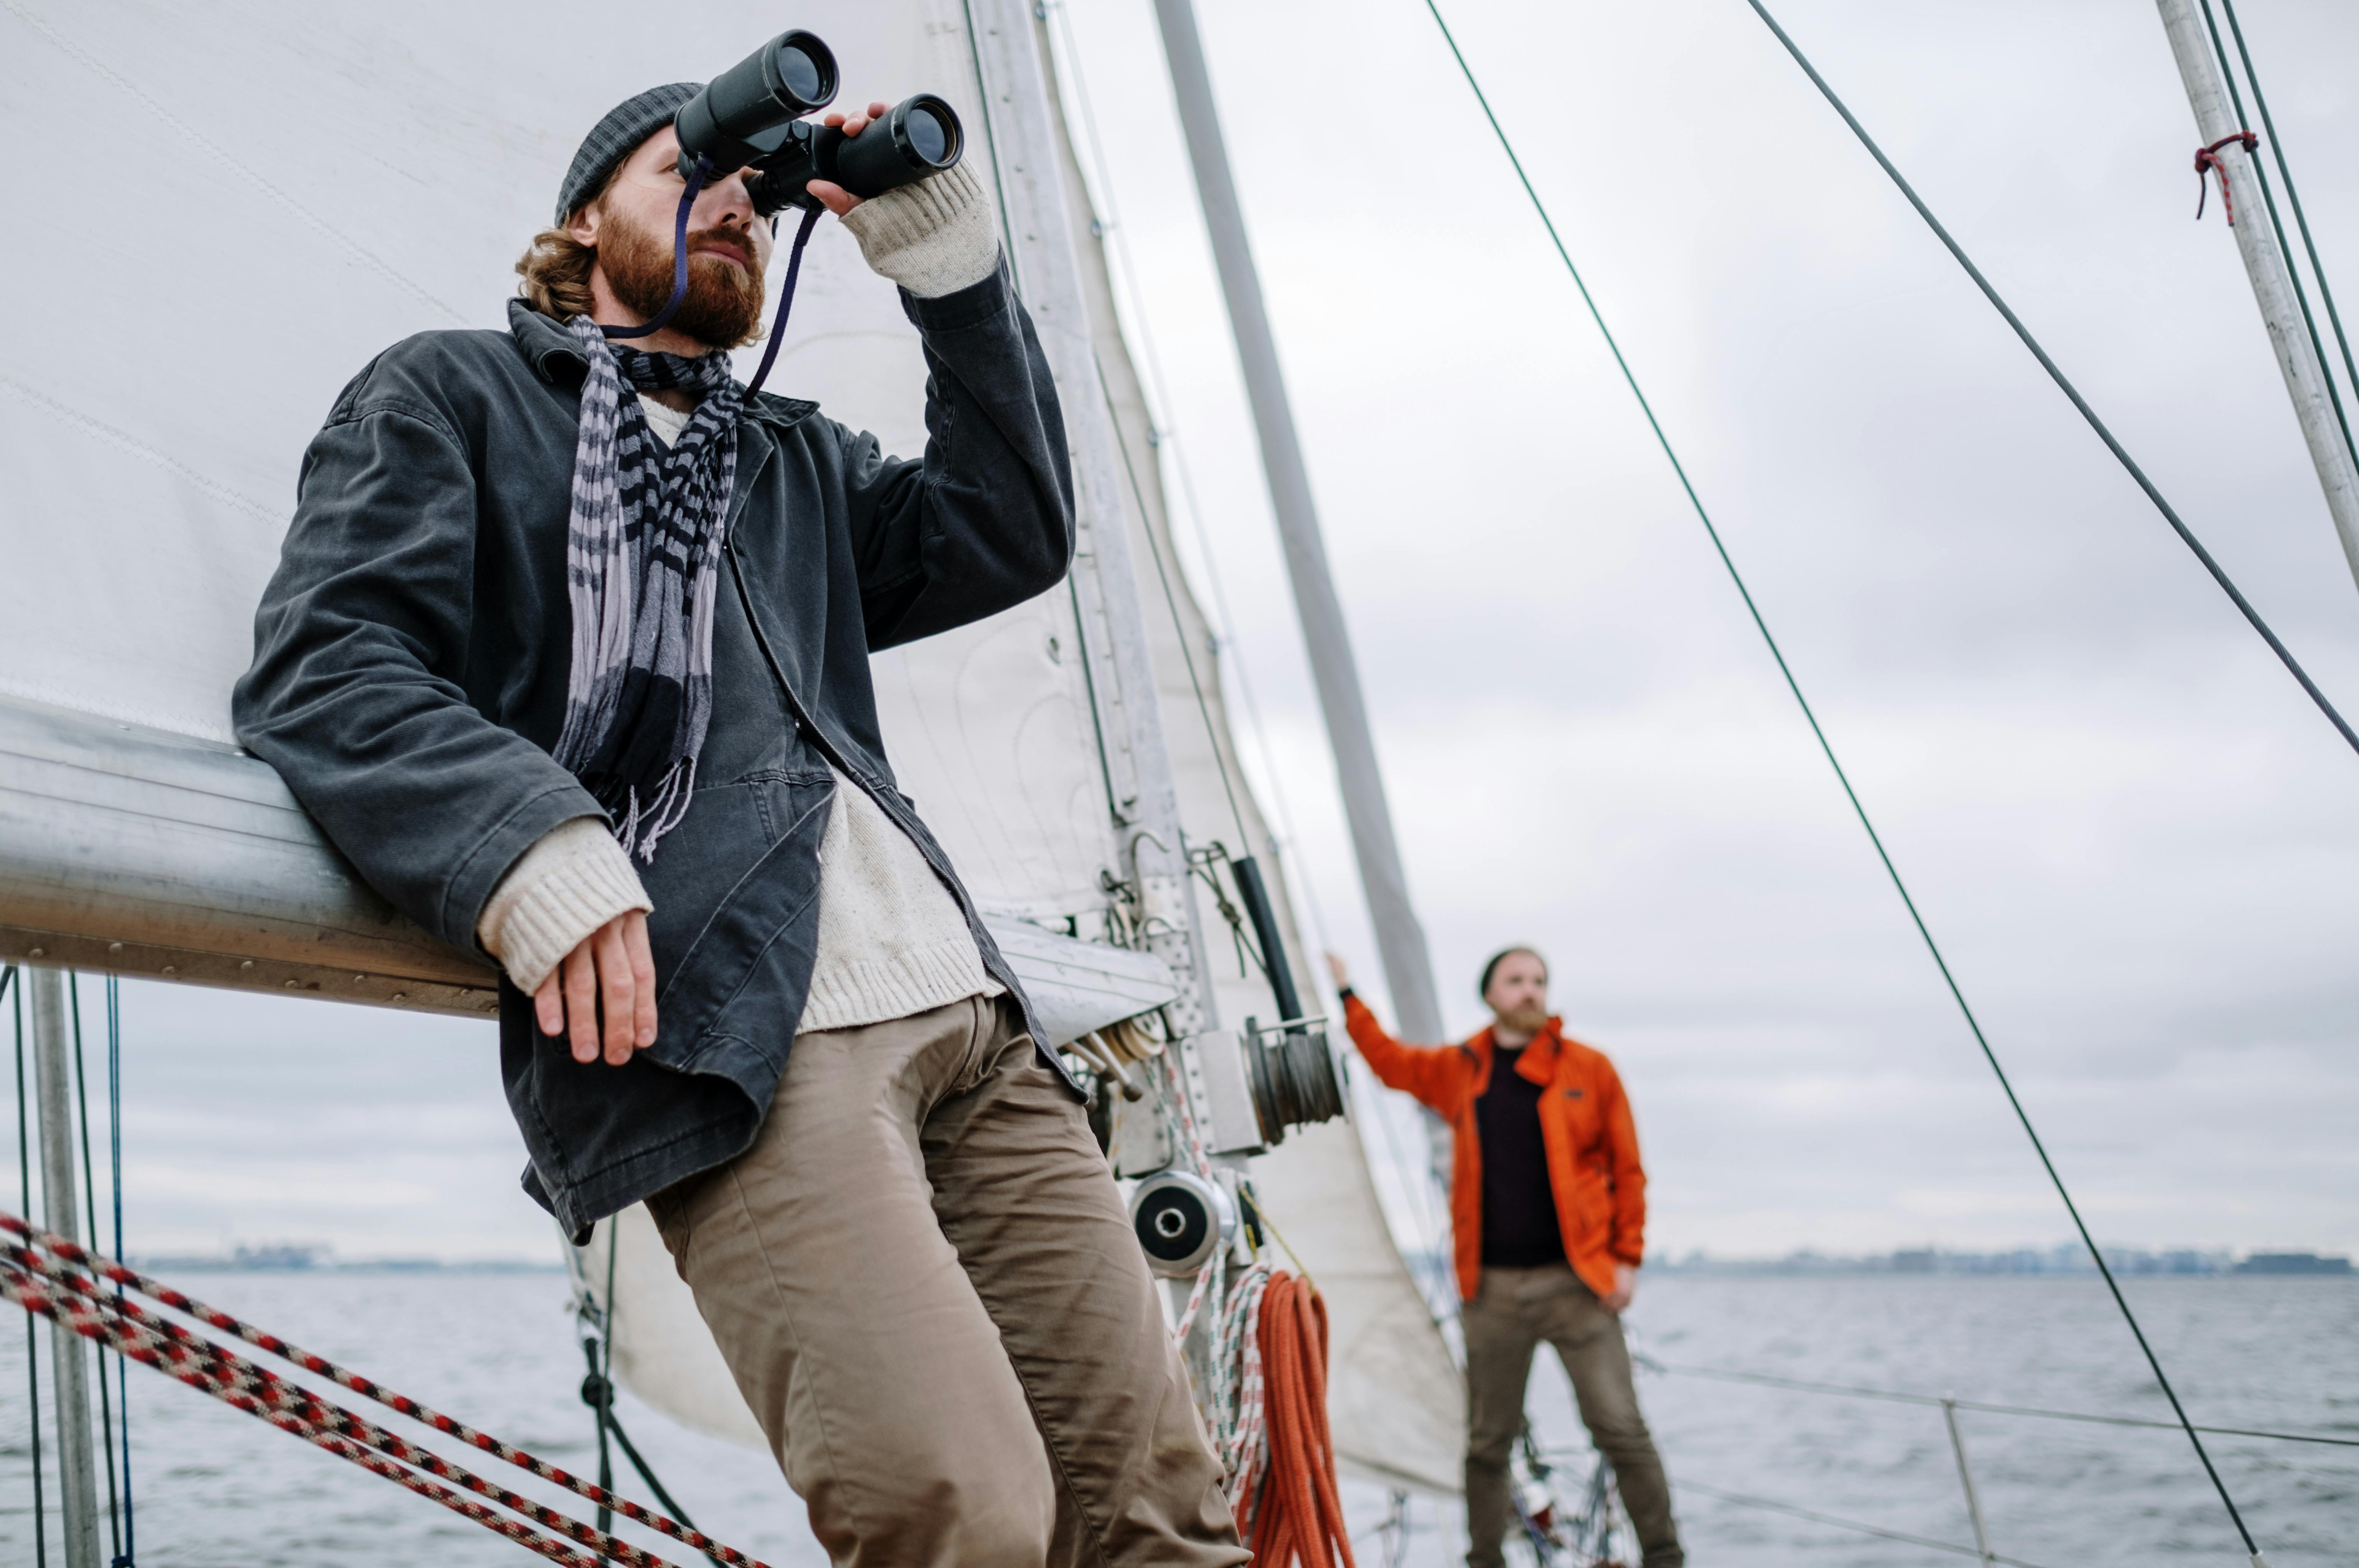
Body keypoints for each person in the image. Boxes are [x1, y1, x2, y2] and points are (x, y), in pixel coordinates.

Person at [234, 81, 1245, 1568]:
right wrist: (526, 834)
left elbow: (1006, 529)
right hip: (740, 1034)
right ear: (582, 219)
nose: (731, 202)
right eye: (685, 168)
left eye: (754, 196)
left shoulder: (784, 457)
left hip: (971, 1015)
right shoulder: (449, 395)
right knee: (963, 1514)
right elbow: (328, 662)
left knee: (1161, 1511)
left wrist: (949, 274)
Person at [1326, 947, 1681, 1568]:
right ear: (1490, 994)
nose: (1531, 991)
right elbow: (1391, 1064)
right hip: (1491, 1293)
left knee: (1621, 1429)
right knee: (1488, 1444)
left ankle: (1666, 1558)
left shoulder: (1591, 1068)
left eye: (1539, 981)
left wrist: (1627, 1259)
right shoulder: (1462, 1067)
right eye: (1516, 980)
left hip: (1580, 1287)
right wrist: (1348, 997)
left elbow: (1629, 1170)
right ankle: (1484, 1561)